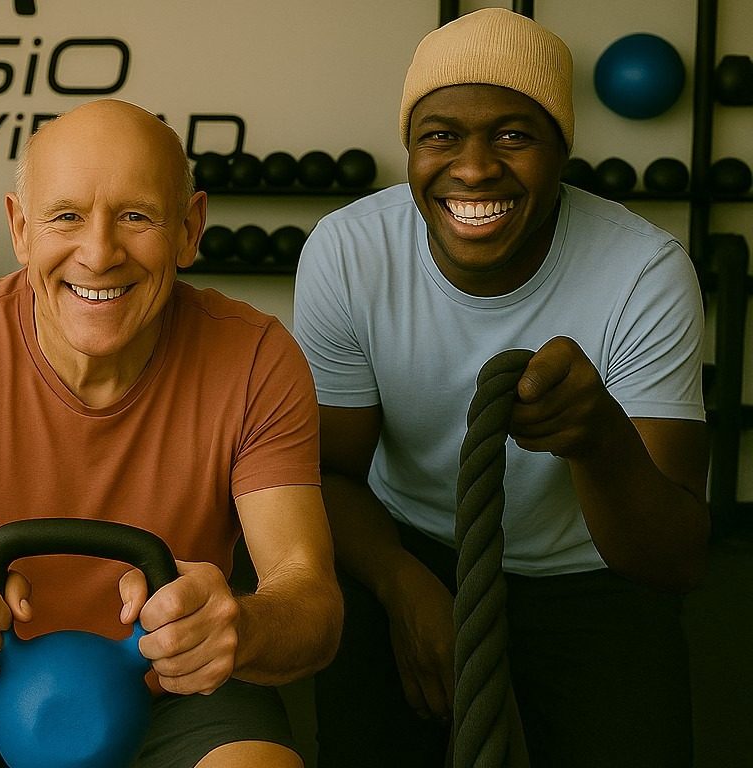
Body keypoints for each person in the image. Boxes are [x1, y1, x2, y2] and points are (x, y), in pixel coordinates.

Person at [0, 99, 341, 768]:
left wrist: (245, 625)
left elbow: (310, 597)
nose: (98, 253)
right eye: (66, 216)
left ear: (190, 228)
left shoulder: (258, 357)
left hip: (176, 684)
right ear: (19, 228)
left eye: (136, 216)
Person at [292, 9, 708, 767]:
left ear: (560, 152)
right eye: (441, 135)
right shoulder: (349, 251)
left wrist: (599, 439)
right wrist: (402, 586)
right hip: (411, 547)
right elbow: (331, 471)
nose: (475, 168)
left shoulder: (644, 273)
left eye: (514, 135)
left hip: (590, 575)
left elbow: (673, 560)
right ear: (412, 148)